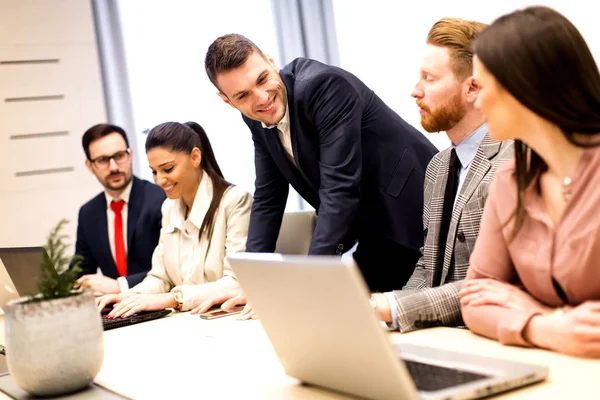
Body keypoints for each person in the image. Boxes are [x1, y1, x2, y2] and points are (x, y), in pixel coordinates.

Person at [204, 33, 438, 295]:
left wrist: (312, 278)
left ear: (271, 61)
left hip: (419, 211)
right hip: (372, 227)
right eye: (243, 95)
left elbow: (338, 188)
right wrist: (253, 284)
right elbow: (269, 197)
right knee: (349, 311)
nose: (261, 98)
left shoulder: (323, 86)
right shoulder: (255, 117)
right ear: (227, 100)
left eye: (262, 79)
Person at [458, 6, 600, 358]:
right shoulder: (509, 182)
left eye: (481, 85)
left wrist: (531, 307)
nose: (473, 98)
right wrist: (542, 327)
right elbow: (475, 298)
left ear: (524, 86)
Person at [367, 18, 513, 332]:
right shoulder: (437, 166)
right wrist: (391, 312)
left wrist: (391, 306)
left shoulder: (511, 163)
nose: (415, 91)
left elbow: (497, 284)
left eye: (429, 79)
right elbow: (428, 264)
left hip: (486, 337)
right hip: (442, 335)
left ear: (472, 88)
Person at [97, 121, 252, 317]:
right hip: (186, 320)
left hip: (225, 319)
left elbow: (236, 282)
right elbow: (160, 277)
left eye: (168, 169)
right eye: (154, 171)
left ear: (195, 157)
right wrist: (128, 296)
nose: (160, 180)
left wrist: (174, 299)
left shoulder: (235, 200)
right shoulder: (169, 207)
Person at [74, 124, 165, 294]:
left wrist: (121, 286)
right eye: (102, 160)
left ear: (131, 155)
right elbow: (80, 271)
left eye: (119, 156)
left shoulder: (160, 200)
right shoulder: (88, 213)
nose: (114, 167)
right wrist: (48, 288)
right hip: (115, 312)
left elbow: (172, 268)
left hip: (158, 304)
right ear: (89, 166)